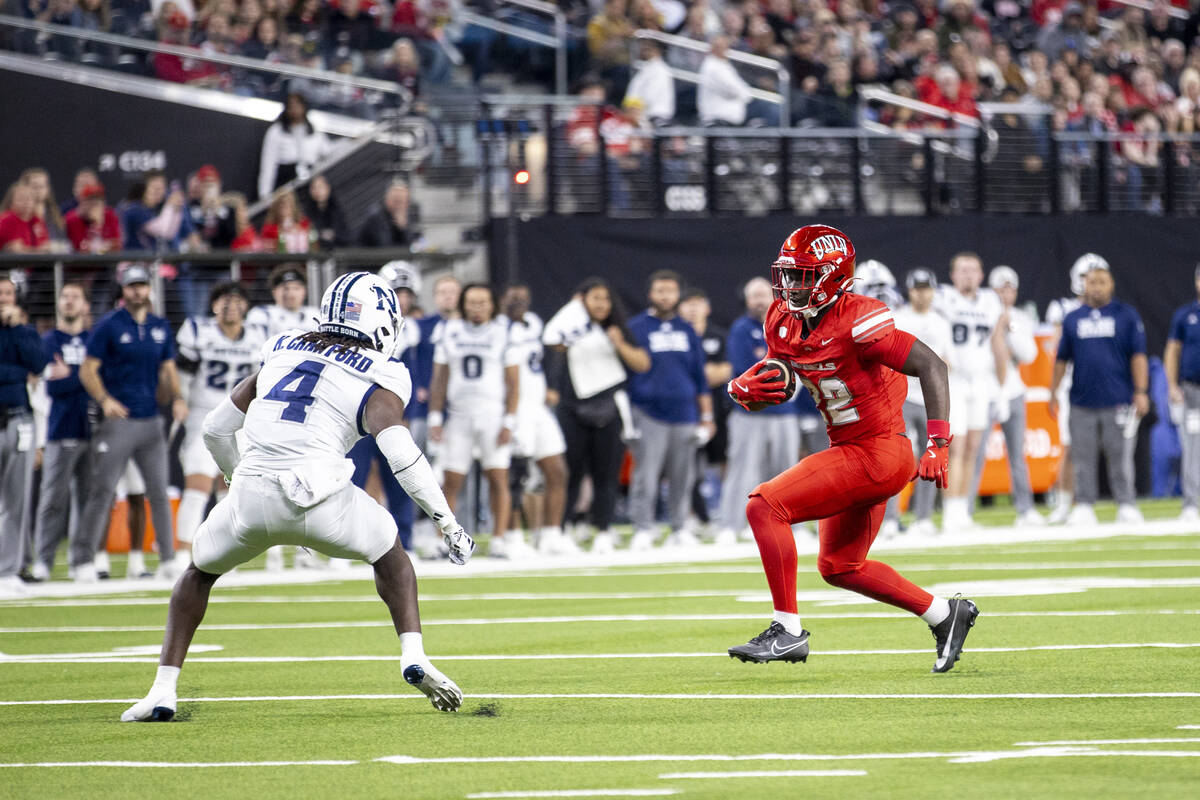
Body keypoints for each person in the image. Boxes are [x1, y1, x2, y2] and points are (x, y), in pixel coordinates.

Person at [120, 272, 474, 722]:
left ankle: (162, 690)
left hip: (250, 494)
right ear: (383, 321)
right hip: (320, 498)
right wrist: (447, 523)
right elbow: (401, 454)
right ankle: (413, 655)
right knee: (390, 552)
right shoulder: (384, 372)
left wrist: (236, 480)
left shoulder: (282, 347)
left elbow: (214, 428)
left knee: (197, 574)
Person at [726, 224, 978, 674]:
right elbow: (784, 370)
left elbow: (931, 365)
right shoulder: (782, 319)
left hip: (878, 451)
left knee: (765, 507)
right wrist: (749, 385)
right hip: (852, 448)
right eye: (788, 274)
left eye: (803, 275)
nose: (790, 286)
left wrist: (938, 440)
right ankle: (943, 613)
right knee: (840, 565)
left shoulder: (859, 318)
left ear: (832, 276)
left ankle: (786, 630)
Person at [75, 264, 187, 583]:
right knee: (103, 491)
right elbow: (87, 369)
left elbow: (168, 369)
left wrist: (177, 398)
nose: (137, 291)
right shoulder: (109, 325)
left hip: (151, 418)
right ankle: (85, 559)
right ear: (123, 290)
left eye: (141, 285)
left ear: (149, 288)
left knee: (159, 492)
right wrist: (105, 400)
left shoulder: (159, 326)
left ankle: (167, 558)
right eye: (132, 286)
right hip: (119, 421)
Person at [543, 278, 649, 553]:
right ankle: (562, 528)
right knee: (571, 472)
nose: (601, 304)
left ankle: (603, 529)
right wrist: (574, 310)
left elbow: (642, 363)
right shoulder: (571, 330)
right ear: (582, 301)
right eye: (594, 298)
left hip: (609, 408)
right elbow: (552, 339)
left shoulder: (618, 330)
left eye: (605, 298)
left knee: (607, 473)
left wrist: (618, 343)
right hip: (572, 407)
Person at [1050, 257, 1148, 526]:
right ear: (1084, 285)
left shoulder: (1126, 315)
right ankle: (1084, 504)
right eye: (1091, 282)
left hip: (1118, 399)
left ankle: (1126, 503)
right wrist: (1052, 392)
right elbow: (1061, 359)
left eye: (1102, 282)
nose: (1096, 287)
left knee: (1120, 457)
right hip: (1081, 400)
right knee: (1082, 457)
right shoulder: (1072, 319)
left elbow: (1138, 356)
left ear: (1111, 284)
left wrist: (1141, 391)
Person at [428, 284, 523, 557]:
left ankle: (500, 538)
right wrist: (436, 417)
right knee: (450, 480)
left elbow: (514, 383)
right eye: (471, 302)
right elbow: (440, 378)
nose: (477, 307)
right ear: (463, 304)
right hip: (458, 414)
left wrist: (510, 421)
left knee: (498, 477)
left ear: (492, 304)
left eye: (482, 302)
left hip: (492, 414)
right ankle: (443, 539)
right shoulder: (449, 329)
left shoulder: (504, 332)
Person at [174, 282, 267, 551]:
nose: (231, 306)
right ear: (214, 305)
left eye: (237, 301)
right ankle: (182, 549)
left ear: (246, 307)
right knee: (198, 484)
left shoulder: (257, 334)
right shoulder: (197, 331)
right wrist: (179, 399)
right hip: (204, 413)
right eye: (224, 300)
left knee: (233, 490)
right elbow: (181, 375)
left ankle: (226, 550)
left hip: (239, 418)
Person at [626, 271, 715, 550]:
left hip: (685, 413)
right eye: (660, 291)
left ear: (677, 295)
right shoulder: (636, 327)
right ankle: (643, 528)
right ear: (651, 294)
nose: (666, 296)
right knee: (646, 475)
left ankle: (679, 527)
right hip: (648, 412)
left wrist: (707, 416)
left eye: (670, 291)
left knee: (683, 476)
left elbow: (699, 377)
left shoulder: (687, 329)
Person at [714, 277, 801, 546]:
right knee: (742, 469)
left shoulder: (789, 325)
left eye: (764, 294)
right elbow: (746, 370)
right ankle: (730, 524)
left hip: (785, 412)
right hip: (750, 413)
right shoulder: (741, 329)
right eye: (754, 296)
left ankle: (793, 524)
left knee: (789, 472)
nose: (760, 300)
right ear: (747, 300)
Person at [346, 262, 423, 553]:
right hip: (359, 412)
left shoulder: (411, 329)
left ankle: (405, 541)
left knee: (401, 476)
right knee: (352, 478)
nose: (401, 299)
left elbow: (412, 378)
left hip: (392, 414)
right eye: (395, 292)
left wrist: (407, 415)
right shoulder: (358, 323)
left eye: (406, 293)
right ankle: (348, 542)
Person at [499, 284, 575, 556]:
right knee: (515, 474)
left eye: (523, 297)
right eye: (512, 297)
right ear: (502, 300)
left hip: (537, 406)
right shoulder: (498, 328)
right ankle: (512, 535)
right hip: (513, 407)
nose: (518, 302)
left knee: (557, 469)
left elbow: (551, 353)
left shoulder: (534, 324)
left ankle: (551, 534)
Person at [935, 252, 1007, 533]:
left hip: (981, 381)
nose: (968, 275)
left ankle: (962, 510)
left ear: (981, 274)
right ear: (953, 275)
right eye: (962, 270)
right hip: (954, 381)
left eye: (973, 270)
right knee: (956, 447)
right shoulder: (943, 297)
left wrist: (1001, 388)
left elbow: (998, 344)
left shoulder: (991, 301)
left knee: (974, 448)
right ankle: (950, 512)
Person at [883, 268, 953, 539]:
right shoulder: (898, 318)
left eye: (926, 288)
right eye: (917, 288)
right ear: (909, 291)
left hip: (930, 400)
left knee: (931, 458)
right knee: (896, 458)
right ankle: (891, 517)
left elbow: (947, 362)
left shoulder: (941, 322)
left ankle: (923, 516)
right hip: (901, 396)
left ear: (933, 291)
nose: (921, 294)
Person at [29, 283, 92, 581]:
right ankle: (43, 559)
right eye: (64, 297)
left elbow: (101, 380)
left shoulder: (94, 339)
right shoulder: (48, 340)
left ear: (85, 305)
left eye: (75, 296)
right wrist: (87, 377)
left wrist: (73, 375)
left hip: (93, 430)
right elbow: (51, 385)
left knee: (89, 499)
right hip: (59, 428)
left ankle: (82, 561)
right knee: (53, 499)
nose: (69, 302)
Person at [977, 266, 1042, 526]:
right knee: (975, 454)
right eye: (1000, 288)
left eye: (1010, 288)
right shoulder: (981, 313)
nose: (1005, 293)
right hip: (985, 390)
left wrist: (1008, 329)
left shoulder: (1020, 318)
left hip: (1013, 391)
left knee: (1017, 455)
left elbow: (1029, 354)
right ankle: (962, 510)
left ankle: (1026, 510)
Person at [0, 276, 48, 597]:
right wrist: (17, 373)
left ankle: (8, 571)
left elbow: (39, 363)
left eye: (7, 293)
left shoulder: (25, 332)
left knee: (17, 501)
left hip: (18, 419)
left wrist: (16, 330)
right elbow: (22, 371)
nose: (3, 298)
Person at [677, 287, 731, 539]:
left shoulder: (718, 336)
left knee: (724, 462)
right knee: (684, 465)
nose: (692, 308)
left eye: (697, 302)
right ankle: (691, 518)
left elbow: (727, 371)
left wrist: (696, 377)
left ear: (707, 308)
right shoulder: (676, 335)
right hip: (684, 411)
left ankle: (729, 515)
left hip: (719, 410)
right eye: (687, 303)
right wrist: (705, 374)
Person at [1044, 255, 1091, 523]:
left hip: (1098, 385)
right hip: (1072, 383)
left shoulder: (1112, 311)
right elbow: (1058, 352)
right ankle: (1064, 503)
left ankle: (1089, 502)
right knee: (1070, 446)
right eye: (1087, 278)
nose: (1092, 284)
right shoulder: (1063, 308)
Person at [1165, 264, 1200, 522]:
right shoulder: (1185, 314)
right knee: (1193, 446)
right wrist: (1171, 385)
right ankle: (1191, 502)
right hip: (1193, 390)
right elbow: (1172, 351)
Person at [258, 91, 333, 200]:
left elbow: (328, 151)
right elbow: (268, 163)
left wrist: (348, 141)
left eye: (298, 106)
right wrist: (264, 194)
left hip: (308, 179)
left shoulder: (314, 130)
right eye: (291, 107)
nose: (295, 110)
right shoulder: (276, 131)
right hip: (285, 178)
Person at [246, 263, 321, 338]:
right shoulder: (262, 314)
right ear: (274, 291)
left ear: (305, 291)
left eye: (296, 288)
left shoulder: (316, 315)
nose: (291, 293)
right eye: (285, 288)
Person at [357, 180, 425, 249]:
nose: (399, 205)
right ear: (387, 199)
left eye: (403, 201)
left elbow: (411, 246)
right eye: (396, 201)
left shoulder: (406, 216)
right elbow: (385, 247)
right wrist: (401, 227)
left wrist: (403, 229)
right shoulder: (376, 216)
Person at [64, 183, 122, 253]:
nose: (95, 206)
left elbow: (117, 244)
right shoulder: (72, 219)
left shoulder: (110, 215)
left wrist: (99, 222)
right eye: (90, 201)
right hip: (80, 263)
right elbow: (79, 247)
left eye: (98, 201)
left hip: (107, 262)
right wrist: (95, 224)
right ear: (82, 203)